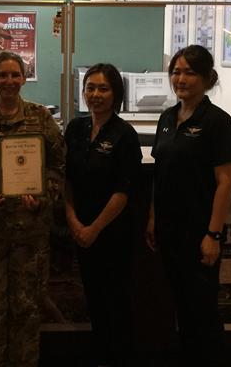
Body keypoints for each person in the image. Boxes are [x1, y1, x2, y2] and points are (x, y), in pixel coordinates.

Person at [0, 50, 66, 367]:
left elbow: (59, 165)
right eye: (2, 75)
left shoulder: (40, 118)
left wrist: (44, 195)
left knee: (28, 311)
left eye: (15, 75)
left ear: (23, 78)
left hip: (30, 235)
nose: (9, 81)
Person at [146, 45, 231, 366]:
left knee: (202, 310)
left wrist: (213, 234)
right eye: (176, 71)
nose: (180, 78)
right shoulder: (168, 118)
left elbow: (226, 182)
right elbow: (160, 171)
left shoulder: (217, 121)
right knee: (181, 308)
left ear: (207, 78)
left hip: (200, 232)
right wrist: (153, 218)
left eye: (189, 72)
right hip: (169, 231)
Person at [64, 63, 141, 367]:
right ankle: (100, 353)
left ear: (116, 94)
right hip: (80, 230)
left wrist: (94, 228)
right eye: (90, 88)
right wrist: (73, 220)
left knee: (116, 302)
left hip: (113, 233)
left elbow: (124, 190)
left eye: (103, 89)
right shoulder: (76, 128)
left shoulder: (125, 134)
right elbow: (67, 180)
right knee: (93, 300)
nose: (95, 94)